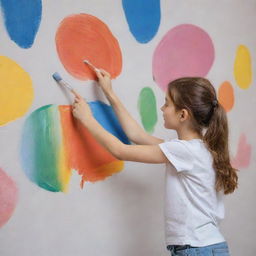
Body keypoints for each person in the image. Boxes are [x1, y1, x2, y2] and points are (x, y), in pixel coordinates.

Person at [71, 69, 238, 256]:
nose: (162, 108)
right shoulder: (196, 149)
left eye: (167, 103)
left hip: (197, 249)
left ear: (183, 115)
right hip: (205, 247)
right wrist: (109, 92)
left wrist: (87, 119)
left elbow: (120, 151)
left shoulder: (185, 151)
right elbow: (137, 135)